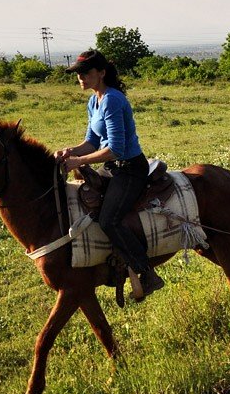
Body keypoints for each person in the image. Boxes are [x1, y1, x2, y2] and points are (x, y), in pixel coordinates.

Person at [55, 49, 165, 299]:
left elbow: (115, 149)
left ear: (101, 73)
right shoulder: (94, 101)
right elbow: (92, 142)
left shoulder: (113, 99)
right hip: (111, 168)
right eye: (78, 74)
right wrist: (69, 152)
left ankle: (146, 272)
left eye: (86, 72)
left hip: (129, 169)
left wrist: (79, 162)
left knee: (109, 220)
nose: (81, 77)